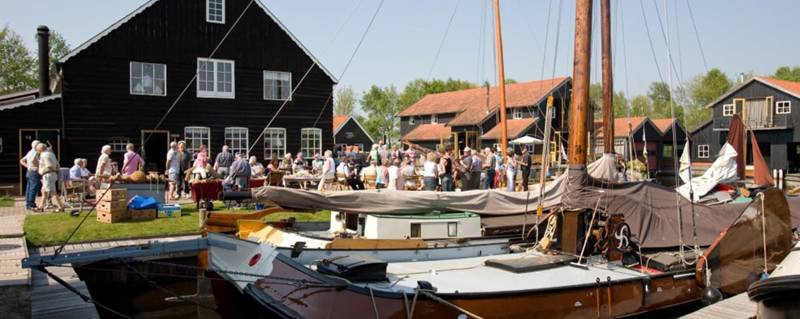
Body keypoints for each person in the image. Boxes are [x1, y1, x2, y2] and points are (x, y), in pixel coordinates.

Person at [37, 143, 64, 212]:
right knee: (44, 191)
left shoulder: (44, 155)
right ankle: (40, 207)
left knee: (52, 192)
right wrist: (55, 170)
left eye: (37, 149)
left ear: (40, 149)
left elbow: (49, 165)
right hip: (50, 175)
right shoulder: (51, 154)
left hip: (48, 175)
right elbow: (58, 164)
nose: (37, 151)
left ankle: (60, 207)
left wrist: (54, 170)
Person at [19, 140, 41, 211]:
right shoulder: (35, 153)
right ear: (36, 146)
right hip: (34, 172)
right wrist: (36, 166)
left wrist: (28, 166)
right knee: (33, 189)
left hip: (29, 172)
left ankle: (28, 204)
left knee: (29, 188)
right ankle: (31, 205)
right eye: (39, 144)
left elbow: (21, 160)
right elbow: (33, 161)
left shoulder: (30, 152)